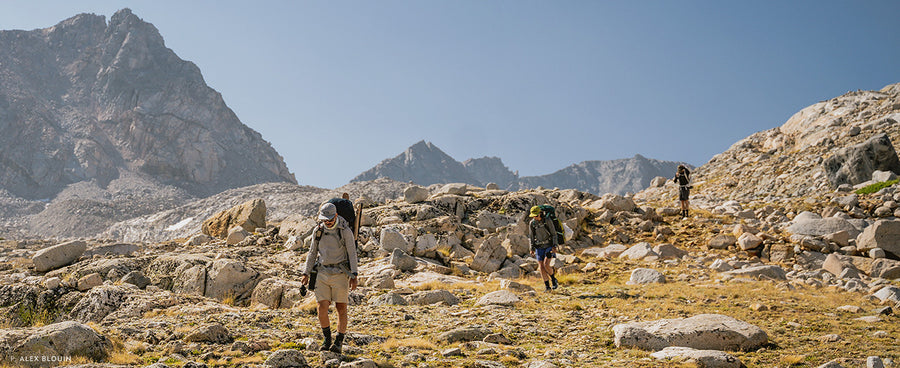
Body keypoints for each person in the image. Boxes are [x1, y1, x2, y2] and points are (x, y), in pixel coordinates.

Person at [302, 202, 359, 353]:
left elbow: (352, 253)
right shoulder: (318, 231)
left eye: (330, 219)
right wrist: (306, 273)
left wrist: (354, 275)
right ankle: (327, 339)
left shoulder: (345, 231)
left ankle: (339, 341)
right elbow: (312, 252)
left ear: (335, 216)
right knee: (322, 307)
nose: (327, 222)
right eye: (324, 219)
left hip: (340, 273)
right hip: (322, 273)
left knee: (341, 308)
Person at [528, 205, 559, 292]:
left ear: (540, 214)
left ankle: (553, 279)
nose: (535, 217)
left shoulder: (547, 221)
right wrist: (532, 248)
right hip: (539, 247)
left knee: (546, 264)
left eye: (536, 215)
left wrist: (555, 245)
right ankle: (547, 287)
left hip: (549, 245)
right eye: (533, 216)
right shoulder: (532, 223)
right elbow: (531, 237)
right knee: (541, 266)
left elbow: (554, 234)